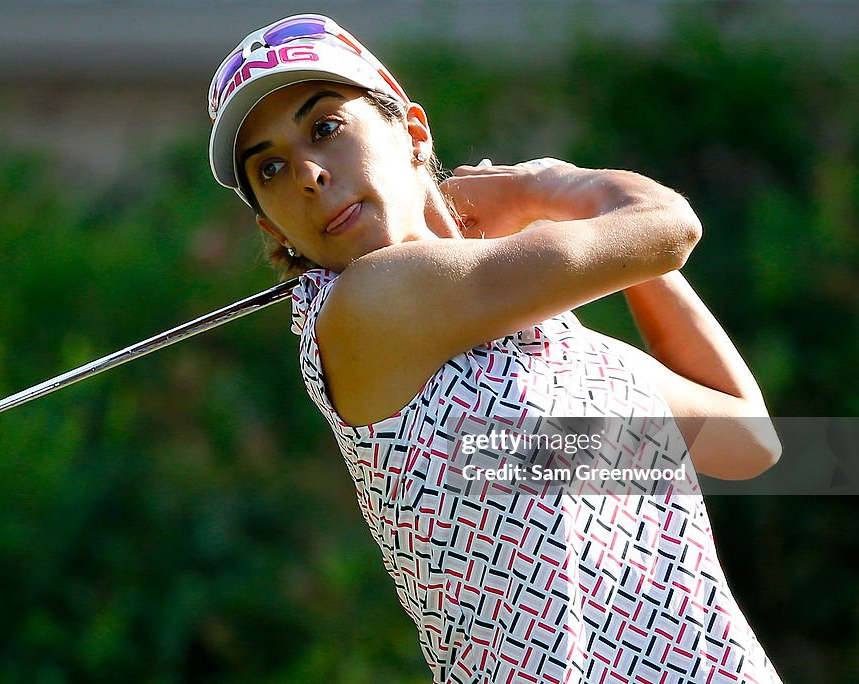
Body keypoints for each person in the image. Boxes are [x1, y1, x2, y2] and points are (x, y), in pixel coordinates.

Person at [207, 13, 783, 683]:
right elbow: (670, 224)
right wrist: (546, 187)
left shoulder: (566, 356)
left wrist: (609, 247)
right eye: (270, 168)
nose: (306, 172)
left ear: (413, 131)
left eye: (326, 128)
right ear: (270, 224)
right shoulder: (371, 304)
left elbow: (747, 438)